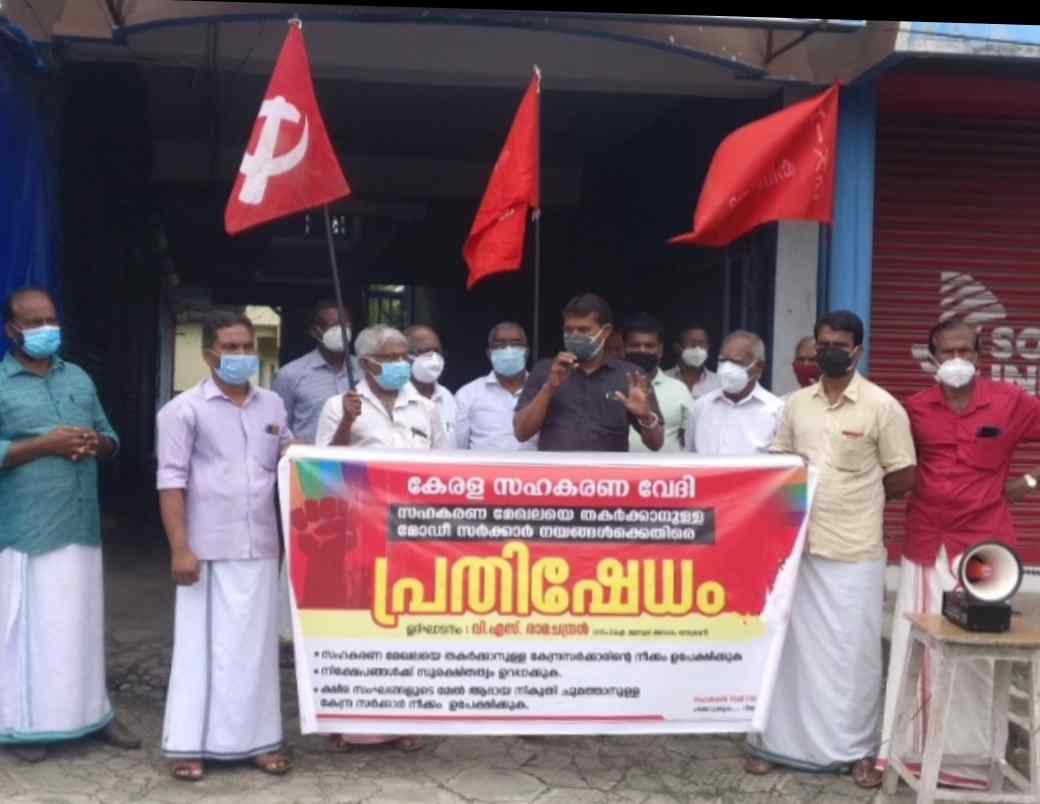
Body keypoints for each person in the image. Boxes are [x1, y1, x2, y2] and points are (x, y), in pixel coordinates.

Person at [746, 310, 916, 790]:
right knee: (789, 649)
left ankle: (856, 751)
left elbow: (903, 475)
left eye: (839, 344)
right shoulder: (796, 404)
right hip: (798, 545)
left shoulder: (883, 406)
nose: (829, 351)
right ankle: (774, 744)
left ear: (857, 350)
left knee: (852, 655)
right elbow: (779, 462)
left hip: (854, 549)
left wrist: (858, 496)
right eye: (823, 344)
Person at [876, 318, 1040, 790]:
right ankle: (903, 754)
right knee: (914, 646)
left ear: (980, 355)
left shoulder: (1011, 402)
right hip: (926, 541)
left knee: (977, 656)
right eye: (946, 352)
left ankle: (969, 764)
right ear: (931, 359)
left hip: (984, 547)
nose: (956, 360)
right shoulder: (915, 408)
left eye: (964, 350)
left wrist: (1029, 481)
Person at [0, 287, 140, 763]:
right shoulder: (2, 383)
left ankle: (92, 713)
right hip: (27, 529)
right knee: (32, 631)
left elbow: (112, 438)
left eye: (51, 320)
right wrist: (45, 445)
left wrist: (95, 443)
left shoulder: (77, 377)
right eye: (34, 322)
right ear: (12, 330)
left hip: (81, 524)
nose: (47, 329)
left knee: (80, 627)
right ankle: (28, 725)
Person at [157, 311, 293, 781]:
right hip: (206, 547)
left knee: (254, 652)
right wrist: (180, 548)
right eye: (230, 348)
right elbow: (171, 482)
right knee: (201, 651)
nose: (241, 355)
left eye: (247, 346)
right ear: (208, 355)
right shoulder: (182, 411)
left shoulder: (272, 405)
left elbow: (292, 460)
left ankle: (259, 742)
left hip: (261, 546)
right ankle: (189, 745)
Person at [315, 324, 449, 752]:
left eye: (404, 356)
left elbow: (443, 468)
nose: (402, 364)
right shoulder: (339, 405)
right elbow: (321, 469)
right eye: (391, 358)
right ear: (367, 363)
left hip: (412, 531)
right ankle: (344, 722)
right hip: (357, 532)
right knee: (352, 628)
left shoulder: (424, 407)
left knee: (405, 627)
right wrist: (347, 423)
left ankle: (403, 720)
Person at [271, 299, 359, 663]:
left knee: (351, 555)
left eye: (345, 323)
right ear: (315, 331)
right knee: (301, 555)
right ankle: (286, 636)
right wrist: (293, 449)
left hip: (358, 477)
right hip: (309, 476)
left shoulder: (364, 370)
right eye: (331, 324)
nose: (341, 330)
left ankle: (339, 631)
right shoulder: (293, 374)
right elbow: (277, 425)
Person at [514, 293, 663, 452]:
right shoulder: (545, 370)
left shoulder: (631, 376)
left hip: (607, 468)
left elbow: (656, 444)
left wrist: (645, 417)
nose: (575, 335)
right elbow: (521, 433)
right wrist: (549, 388)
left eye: (583, 330)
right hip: (558, 468)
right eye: (569, 329)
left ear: (605, 331)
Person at [686, 330, 783, 456]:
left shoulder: (776, 411)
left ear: (759, 367)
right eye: (722, 361)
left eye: (736, 362)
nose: (726, 369)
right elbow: (690, 456)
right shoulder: (701, 406)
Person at [455, 321, 538, 451]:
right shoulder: (468, 394)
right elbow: (458, 447)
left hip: (533, 464)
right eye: (500, 345)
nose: (508, 350)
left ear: (526, 352)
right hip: (483, 465)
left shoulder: (542, 390)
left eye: (516, 344)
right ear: (489, 353)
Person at [622, 313, 695, 452]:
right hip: (617, 466)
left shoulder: (678, 389)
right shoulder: (610, 384)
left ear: (660, 350)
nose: (642, 350)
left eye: (649, 346)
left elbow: (690, 438)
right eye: (635, 345)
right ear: (624, 347)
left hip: (667, 466)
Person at [404, 324, 457, 444]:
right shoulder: (395, 397)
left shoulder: (447, 396)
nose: (433, 357)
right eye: (425, 351)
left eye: (437, 351)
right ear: (405, 356)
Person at [666, 324, 721, 399]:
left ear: (708, 347)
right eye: (692, 343)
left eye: (701, 343)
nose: (697, 348)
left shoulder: (719, 383)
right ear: (677, 347)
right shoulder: (663, 379)